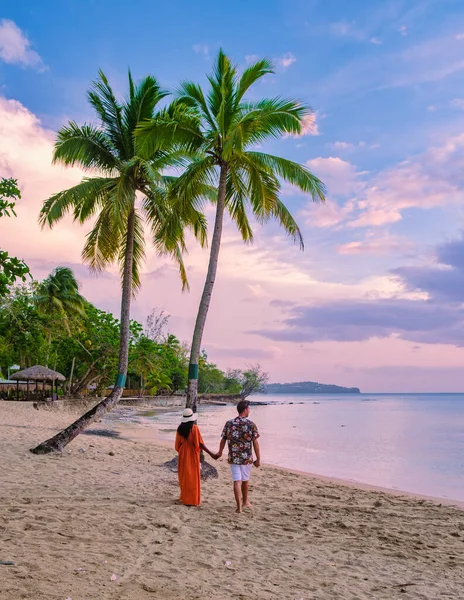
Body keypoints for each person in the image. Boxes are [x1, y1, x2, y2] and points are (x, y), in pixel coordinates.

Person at [215, 400, 261, 513]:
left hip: (234, 457)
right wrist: (258, 459)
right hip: (246, 458)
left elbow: (223, 439)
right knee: (245, 480)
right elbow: (255, 443)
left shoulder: (229, 423)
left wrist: (220, 452)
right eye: (249, 409)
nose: (249, 410)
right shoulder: (251, 424)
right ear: (245, 410)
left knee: (237, 481)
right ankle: (245, 501)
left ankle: (239, 507)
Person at [175, 408, 216, 506]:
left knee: (184, 476)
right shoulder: (195, 428)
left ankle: (184, 497)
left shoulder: (179, 429)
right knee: (193, 476)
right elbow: (200, 444)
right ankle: (192, 500)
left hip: (183, 453)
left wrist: (183, 450)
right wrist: (211, 454)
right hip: (192, 453)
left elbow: (177, 446)